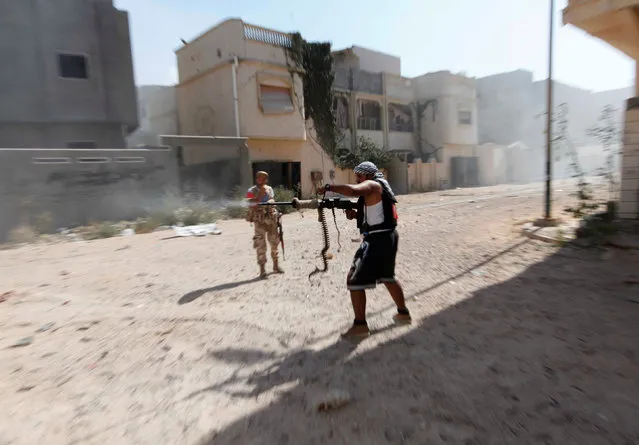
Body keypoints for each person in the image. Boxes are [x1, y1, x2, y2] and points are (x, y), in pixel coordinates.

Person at [323, 161, 411, 338]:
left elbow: (354, 191)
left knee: (353, 279)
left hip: (377, 240)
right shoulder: (380, 188)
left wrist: (329, 187)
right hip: (388, 236)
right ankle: (403, 314)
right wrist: (356, 214)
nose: (357, 179)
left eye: (359, 176)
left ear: (369, 175)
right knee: (387, 276)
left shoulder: (373, 184)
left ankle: (360, 326)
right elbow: (374, 212)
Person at [246, 171, 283, 278]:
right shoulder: (251, 191)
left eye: (265, 179)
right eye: (261, 178)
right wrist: (260, 195)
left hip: (271, 220)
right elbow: (252, 206)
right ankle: (262, 270)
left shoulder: (269, 189)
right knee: (260, 245)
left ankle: (276, 266)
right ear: (257, 179)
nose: (263, 181)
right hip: (260, 222)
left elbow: (272, 199)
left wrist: (271, 201)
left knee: (274, 243)